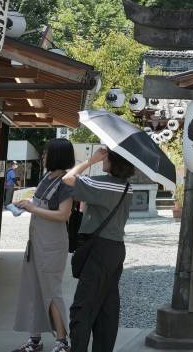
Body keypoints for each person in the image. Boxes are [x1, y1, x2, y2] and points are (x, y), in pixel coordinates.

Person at [62, 147, 134, 352]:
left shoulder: (103, 184)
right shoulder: (127, 187)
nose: (104, 157)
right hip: (116, 248)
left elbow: (68, 179)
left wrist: (90, 161)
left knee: (82, 309)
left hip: (99, 250)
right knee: (106, 308)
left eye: (107, 155)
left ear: (113, 161)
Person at [10, 140, 75, 352]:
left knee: (51, 290)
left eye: (47, 153)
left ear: (57, 156)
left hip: (52, 244)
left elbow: (63, 215)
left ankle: (62, 341)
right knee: (34, 289)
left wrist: (32, 208)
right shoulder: (47, 177)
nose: (44, 157)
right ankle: (35, 339)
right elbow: (38, 203)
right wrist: (25, 205)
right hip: (36, 241)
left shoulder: (67, 182)